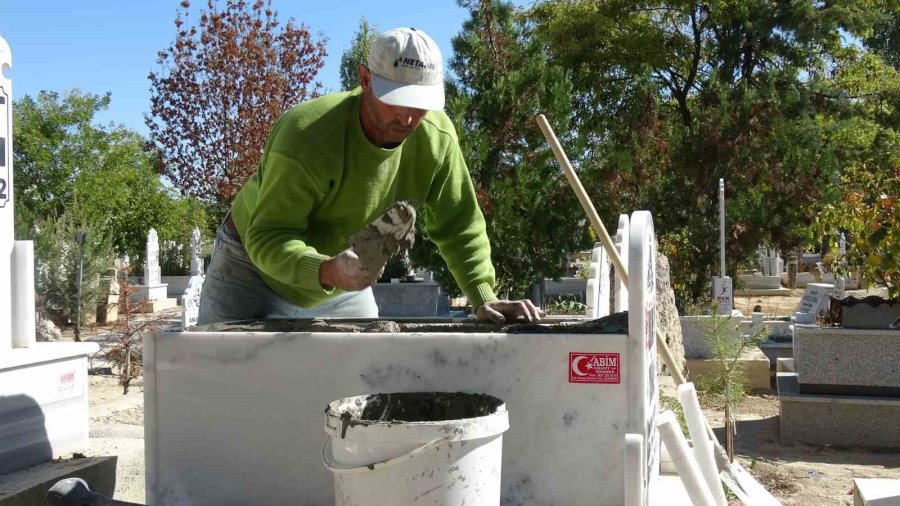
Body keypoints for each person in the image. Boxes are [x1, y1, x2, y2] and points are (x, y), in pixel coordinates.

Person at [197, 27, 541, 325]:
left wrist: (483, 295)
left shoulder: (436, 140)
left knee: (362, 388)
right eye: (398, 100)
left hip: (341, 284)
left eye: (420, 104)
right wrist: (327, 270)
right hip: (250, 272)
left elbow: (459, 224)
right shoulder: (307, 135)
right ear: (365, 80)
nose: (408, 118)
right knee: (228, 389)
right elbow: (268, 236)